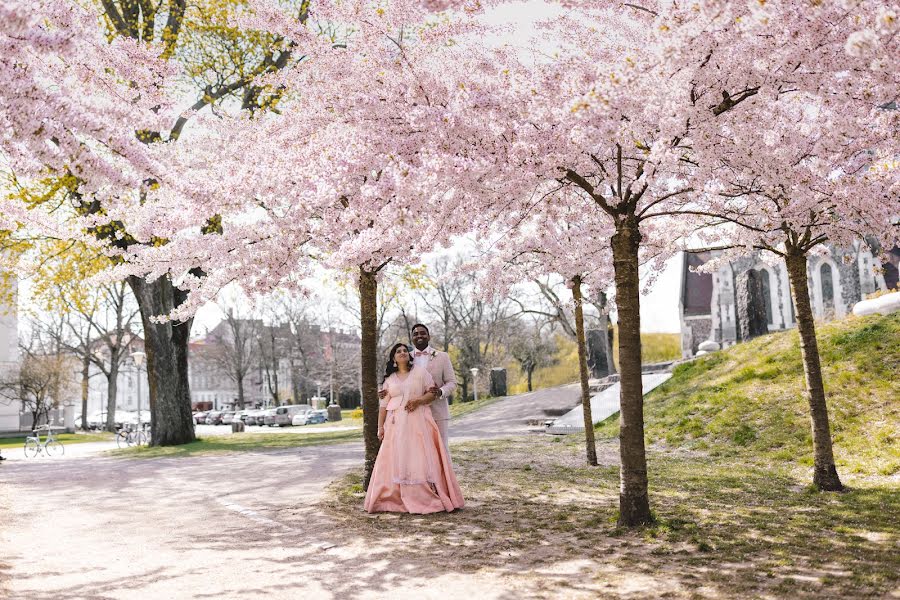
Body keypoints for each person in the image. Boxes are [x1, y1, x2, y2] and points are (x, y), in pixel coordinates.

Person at [364, 342, 464, 514]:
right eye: (398, 351)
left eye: (404, 350)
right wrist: (380, 427)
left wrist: (419, 401)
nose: (402, 353)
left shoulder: (420, 373)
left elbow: (432, 392)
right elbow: (383, 405)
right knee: (396, 457)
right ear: (393, 358)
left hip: (419, 422)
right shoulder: (389, 380)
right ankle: (393, 495)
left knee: (420, 457)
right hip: (396, 425)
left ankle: (424, 495)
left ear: (409, 356)